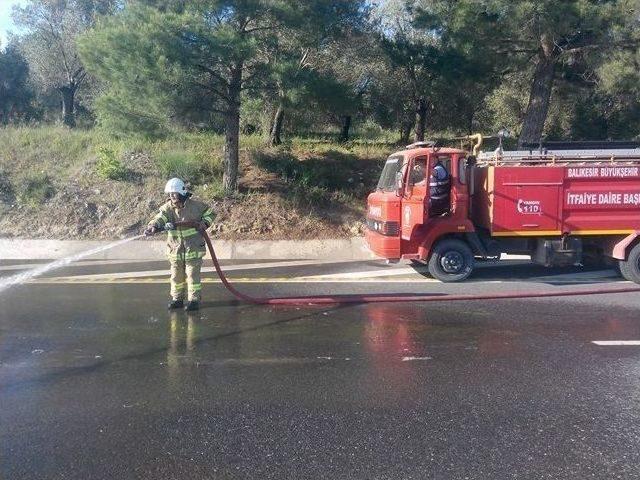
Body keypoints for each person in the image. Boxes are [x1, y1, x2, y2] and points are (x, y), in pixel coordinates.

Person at [144, 178, 215, 311]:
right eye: (170, 194)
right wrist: (153, 226)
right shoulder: (168, 208)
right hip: (175, 250)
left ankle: (194, 300)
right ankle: (177, 299)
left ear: (182, 193)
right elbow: (160, 218)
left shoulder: (196, 207)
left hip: (193, 248)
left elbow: (210, 213)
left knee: (192, 275)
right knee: (176, 277)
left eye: (174, 194)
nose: (171, 196)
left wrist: (204, 223)